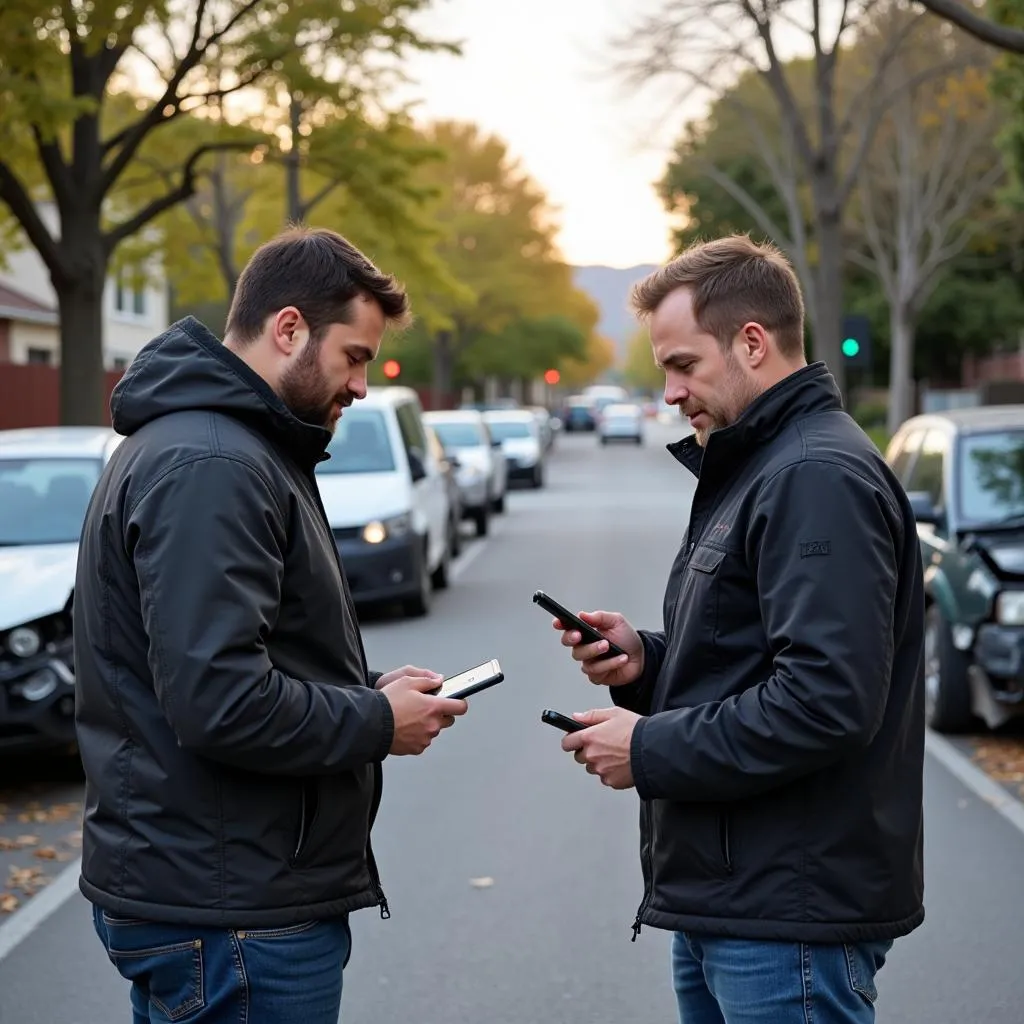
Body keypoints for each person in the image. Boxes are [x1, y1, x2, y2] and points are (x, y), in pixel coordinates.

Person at [74, 227, 469, 1024]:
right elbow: (219, 698)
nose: (363, 383)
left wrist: (365, 690)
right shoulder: (216, 463)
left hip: (218, 889)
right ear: (288, 328)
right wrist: (374, 720)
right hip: (232, 907)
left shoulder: (229, 446)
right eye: (354, 356)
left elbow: (217, 661)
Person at [552, 235, 925, 1024]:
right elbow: (754, 658)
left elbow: (825, 700)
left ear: (752, 343)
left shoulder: (812, 476)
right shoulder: (762, 465)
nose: (671, 392)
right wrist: (644, 664)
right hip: (740, 900)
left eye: (683, 365)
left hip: (787, 912)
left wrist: (645, 748)